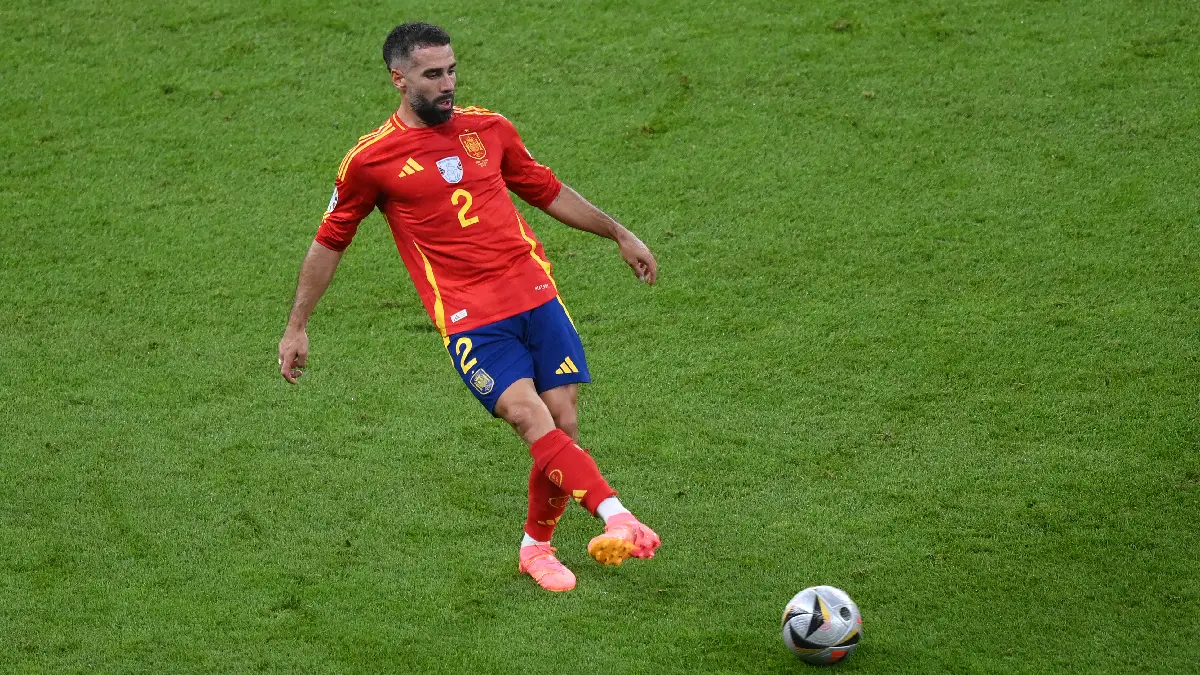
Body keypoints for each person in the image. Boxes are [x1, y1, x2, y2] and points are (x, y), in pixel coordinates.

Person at [277, 22, 661, 592]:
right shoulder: (371, 160)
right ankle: (617, 516)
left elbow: (546, 189)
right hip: (470, 317)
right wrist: (297, 326)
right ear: (399, 79)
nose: (448, 83)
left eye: (452, 70)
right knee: (528, 415)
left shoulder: (489, 128)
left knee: (563, 421)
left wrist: (619, 233)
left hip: (535, 294)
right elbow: (330, 240)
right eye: (433, 74)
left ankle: (535, 548)